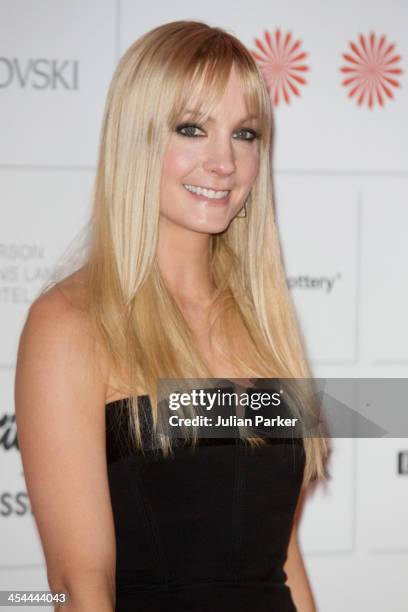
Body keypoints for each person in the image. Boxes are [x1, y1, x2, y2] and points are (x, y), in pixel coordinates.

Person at [15, 20, 329, 612]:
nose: (224, 162)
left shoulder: (264, 324)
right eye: (192, 129)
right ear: (137, 140)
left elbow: (282, 558)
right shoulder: (70, 325)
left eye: (245, 133)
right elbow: (79, 586)